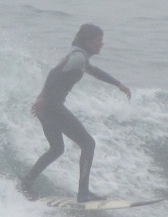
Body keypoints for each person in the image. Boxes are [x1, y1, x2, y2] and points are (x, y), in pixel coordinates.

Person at [19, 23, 132, 202]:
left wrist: (118, 84)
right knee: (88, 144)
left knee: (56, 149)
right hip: (52, 106)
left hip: (48, 107)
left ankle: (26, 183)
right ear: (88, 42)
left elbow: (94, 71)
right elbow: (54, 73)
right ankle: (83, 193)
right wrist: (43, 98)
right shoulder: (78, 57)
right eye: (98, 40)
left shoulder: (79, 56)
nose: (101, 44)